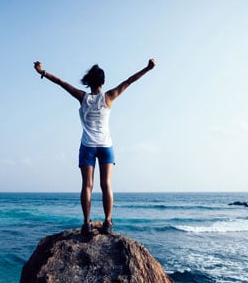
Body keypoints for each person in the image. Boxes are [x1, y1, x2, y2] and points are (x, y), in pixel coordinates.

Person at [33, 58, 156, 236]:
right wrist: (148, 68)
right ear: (103, 82)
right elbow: (129, 81)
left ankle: (86, 223)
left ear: (88, 82)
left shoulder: (82, 97)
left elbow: (61, 83)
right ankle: (108, 221)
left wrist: (42, 72)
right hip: (106, 146)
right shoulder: (109, 96)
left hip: (87, 146)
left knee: (87, 186)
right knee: (106, 184)